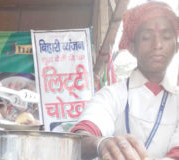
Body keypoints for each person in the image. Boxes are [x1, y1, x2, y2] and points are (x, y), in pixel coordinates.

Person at [71, 2, 179, 160]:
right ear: (132, 48)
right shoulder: (111, 95)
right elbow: (80, 138)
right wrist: (101, 144)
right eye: (147, 38)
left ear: (176, 47)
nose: (158, 45)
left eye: (167, 37)